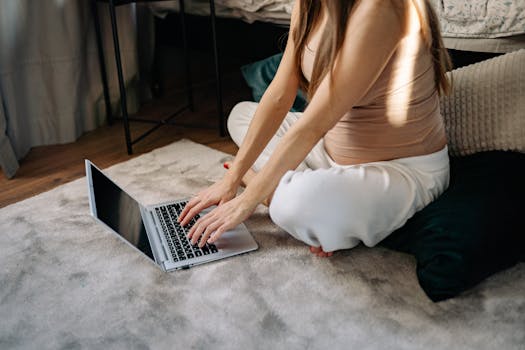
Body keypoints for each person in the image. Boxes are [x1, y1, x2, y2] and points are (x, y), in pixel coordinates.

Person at [178, 0, 452, 257]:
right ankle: (321, 207)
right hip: (326, 149)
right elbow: (279, 94)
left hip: (397, 169)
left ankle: (293, 193)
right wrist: (232, 178)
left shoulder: (382, 8)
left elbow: (313, 125)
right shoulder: (310, 3)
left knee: (291, 204)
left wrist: (248, 198)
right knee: (241, 116)